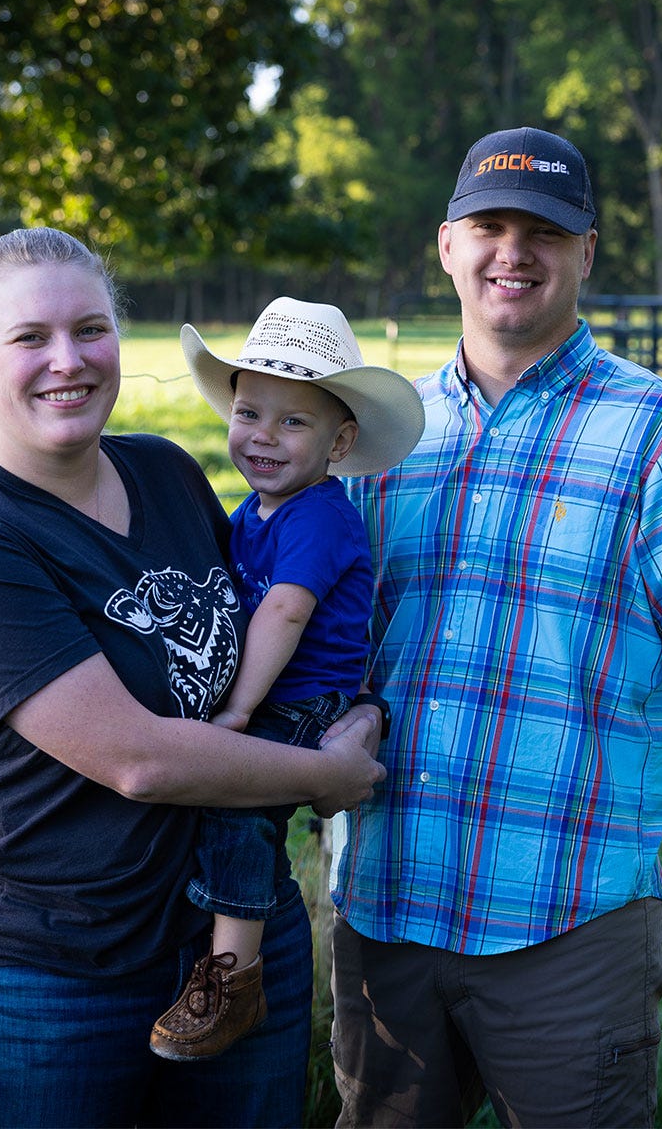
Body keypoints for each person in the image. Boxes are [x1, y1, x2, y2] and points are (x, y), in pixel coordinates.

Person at [330, 127, 662, 1127]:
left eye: (545, 230)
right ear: (446, 246)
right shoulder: (378, 433)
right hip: (388, 903)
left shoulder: (661, 429)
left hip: (569, 917)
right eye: (489, 226)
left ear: (587, 252)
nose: (514, 252)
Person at [0, 227, 386, 1128]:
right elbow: (140, 761)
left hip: (237, 945)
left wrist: (350, 709)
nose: (68, 361)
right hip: (62, 979)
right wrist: (331, 776)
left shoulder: (164, 473)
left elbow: (286, 611)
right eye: (30, 338)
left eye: (91, 329)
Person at [149, 297, 423, 1060]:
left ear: (339, 442)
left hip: (303, 700)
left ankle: (233, 980)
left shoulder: (318, 517)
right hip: (276, 691)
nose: (263, 437)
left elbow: (284, 616)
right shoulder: (257, 510)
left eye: (293, 422)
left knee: (239, 806)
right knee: (221, 809)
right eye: (249, 413)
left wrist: (237, 711)